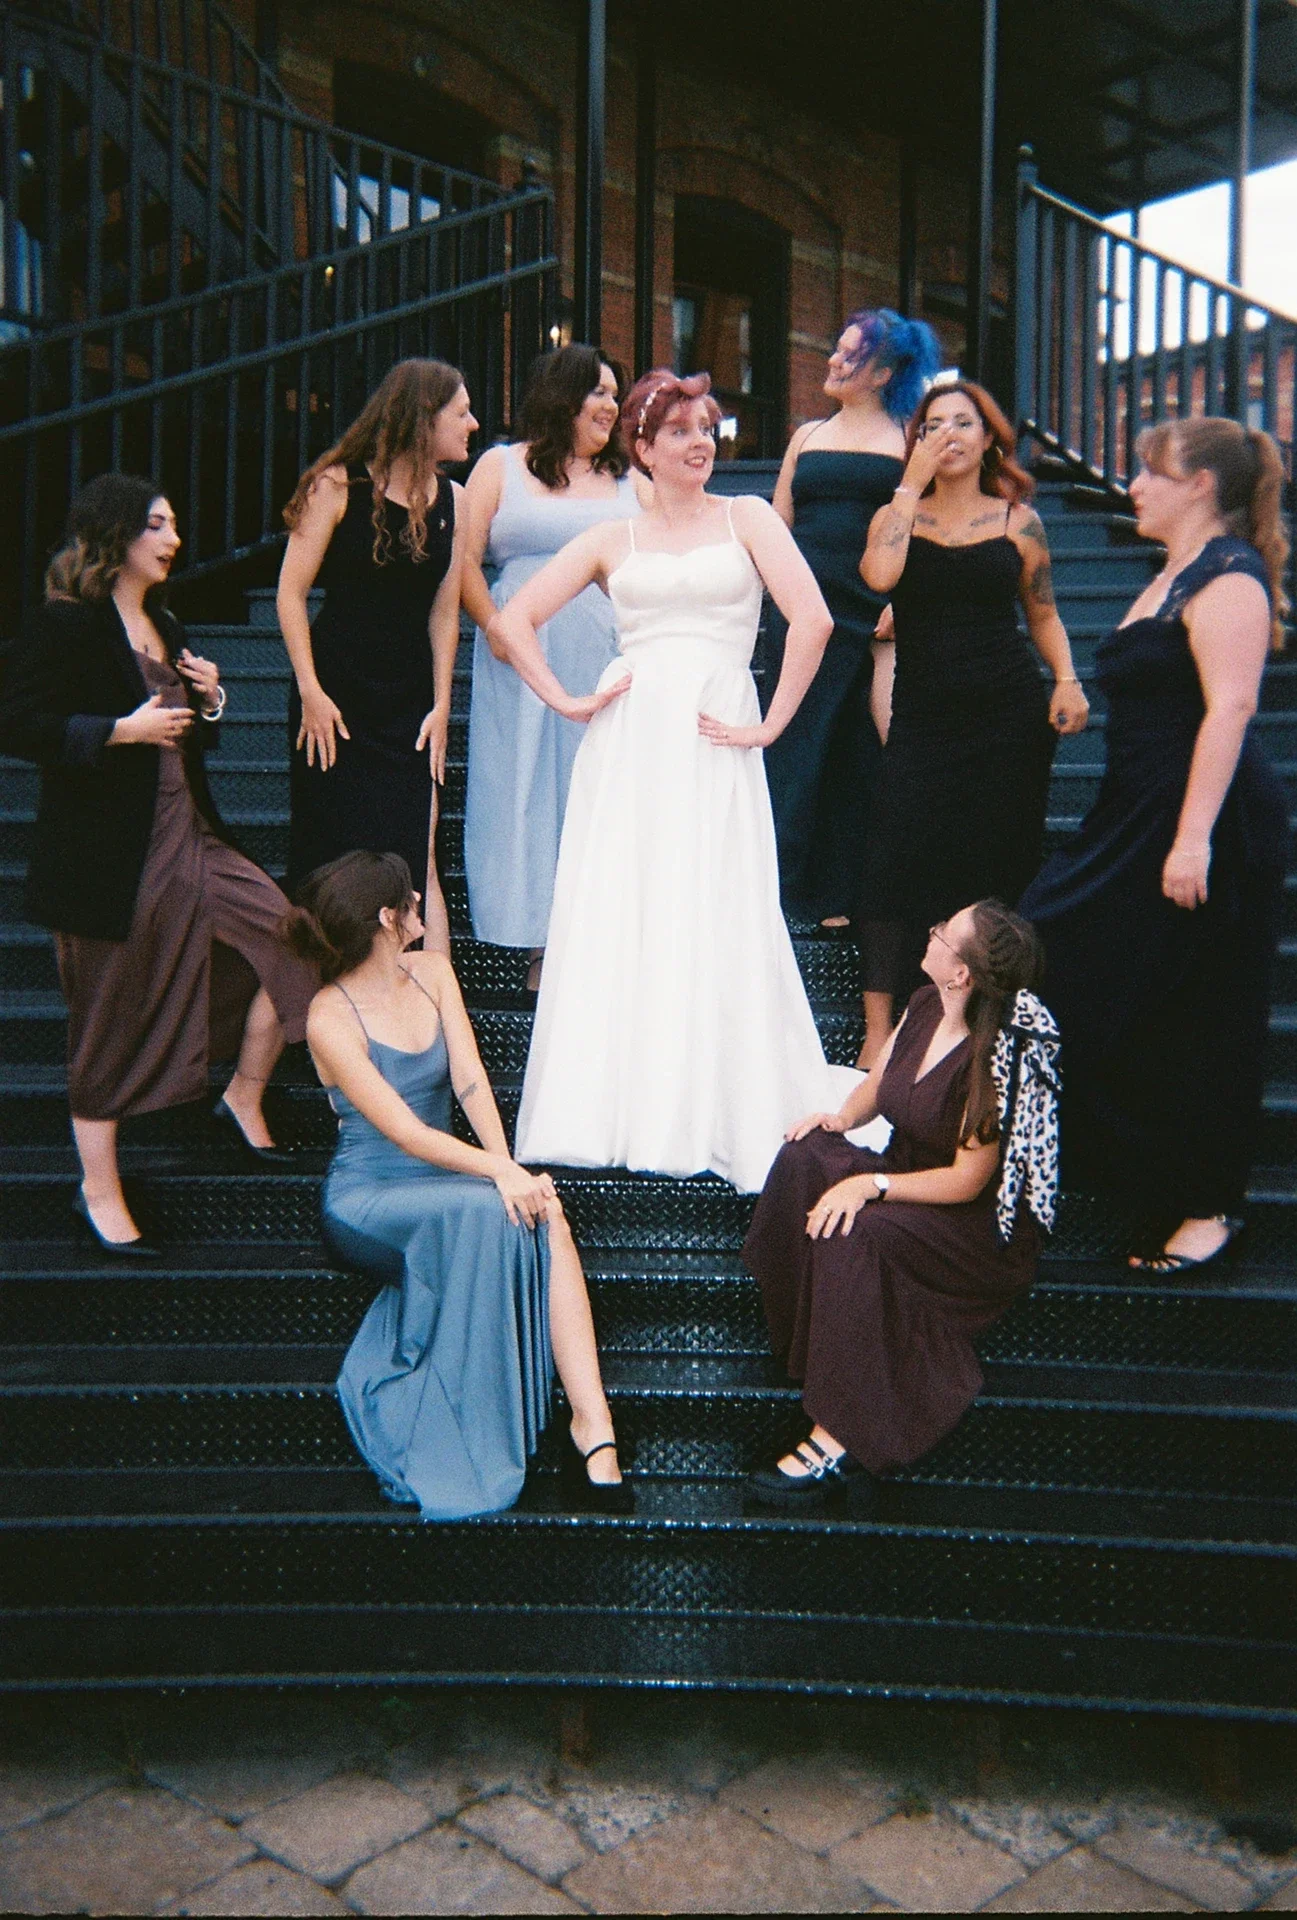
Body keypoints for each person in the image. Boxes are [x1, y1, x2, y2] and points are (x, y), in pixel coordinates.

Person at [491, 369, 840, 1194]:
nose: (698, 444)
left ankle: (714, 1104)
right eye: (678, 431)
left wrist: (773, 723)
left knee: (714, 901)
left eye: (707, 429)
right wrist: (570, 701)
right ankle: (612, 1109)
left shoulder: (747, 517)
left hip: (716, 730)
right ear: (641, 449)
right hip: (631, 739)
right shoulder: (615, 537)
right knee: (628, 904)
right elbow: (511, 620)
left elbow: (814, 618)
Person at [0, 475, 316, 1255]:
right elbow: (20, 723)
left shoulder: (166, 621)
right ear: (115, 536)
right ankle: (98, 1189)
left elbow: (182, 737)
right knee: (108, 1012)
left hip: (193, 834)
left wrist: (207, 700)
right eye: (156, 525)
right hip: (113, 857)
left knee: (292, 936)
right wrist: (116, 730)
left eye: (175, 524)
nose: (173, 538)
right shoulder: (66, 626)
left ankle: (241, 1097)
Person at [1020, 418, 1290, 1273]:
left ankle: (1208, 1208)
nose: (1133, 486)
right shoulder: (1171, 573)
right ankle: (1140, 1174)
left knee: (1206, 1009)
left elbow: (1232, 709)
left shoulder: (1231, 576)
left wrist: (1191, 841)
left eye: (1151, 472)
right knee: (1052, 958)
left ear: (1201, 485)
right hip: (1134, 810)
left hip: (1200, 821)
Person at [289, 850, 631, 1520]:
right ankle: (475, 1431)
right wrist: (499, 1175)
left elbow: (471, 1082)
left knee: (543, 1213)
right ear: (388, 919)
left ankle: (595, 1428)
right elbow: (406, 1135)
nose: (420, 902)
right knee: (490, 1210)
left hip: (447, 1182)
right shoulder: (328, 1017)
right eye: (411, 899)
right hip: (367, 1201)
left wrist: (513, 1178)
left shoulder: (435, 974)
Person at [742, 901, 1058, 1512]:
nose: (931, 931)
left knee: (853, 1228)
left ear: (961, 972)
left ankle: (841, 1434)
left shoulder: (994, 1052)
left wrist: (872, 1187)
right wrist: (839, 1119)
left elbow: (968, 1181)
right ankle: (808, 1343)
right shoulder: (922, 1005)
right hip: (907, 1173)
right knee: (807, 1157)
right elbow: (878, 1087)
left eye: (943, 932)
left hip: (965, 1225)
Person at [854, 378, 1089, 1066]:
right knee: (889, 863)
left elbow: (1041, 614)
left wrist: (1067, 679)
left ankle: (978, 1022)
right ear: (916, 439)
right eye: (932, 424)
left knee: (995, 861)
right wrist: (909, 486)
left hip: (1007, 715)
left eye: (963, 423)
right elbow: (877, 574)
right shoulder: (895, 517)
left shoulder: (1018, 522)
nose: (949, 435)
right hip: (925, 718)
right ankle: (877, 1036)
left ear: (988, 439)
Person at [462, 345, 649, 987]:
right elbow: (461, 562)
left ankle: (599, 935)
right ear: (559, 396)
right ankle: (539, 941)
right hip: (521, 652)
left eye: (613, 393)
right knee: (523, 786)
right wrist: (492, 624)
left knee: (595, 784)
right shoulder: (499, 468)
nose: (609, 405)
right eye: (596, 391)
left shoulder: (632, 481)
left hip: (605, 653)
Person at [277, 358, 474, 954]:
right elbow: (290, 593)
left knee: (414, 861)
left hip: (408, 703)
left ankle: (424, 1019)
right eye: (460, 413)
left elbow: (445, 612)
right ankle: (324, 1015)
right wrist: (310, 690)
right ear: (422, 420)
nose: (473, 423)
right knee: (332, 864)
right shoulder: (337, 486)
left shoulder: (456, 501)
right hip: (335, 700)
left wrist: (442, 705)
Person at [765, 309, 941, 928]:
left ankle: (838, 894)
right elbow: (777, 523)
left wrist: (906, 599)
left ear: (885, 371)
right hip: (801, 602)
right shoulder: (806, 435)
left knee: (850, 744)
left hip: (871, 604)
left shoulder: (909, 440)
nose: (833, 361)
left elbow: (923, 525)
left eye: (850, 355)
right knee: (792, 738)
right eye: (836, 350)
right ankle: (778, 889)